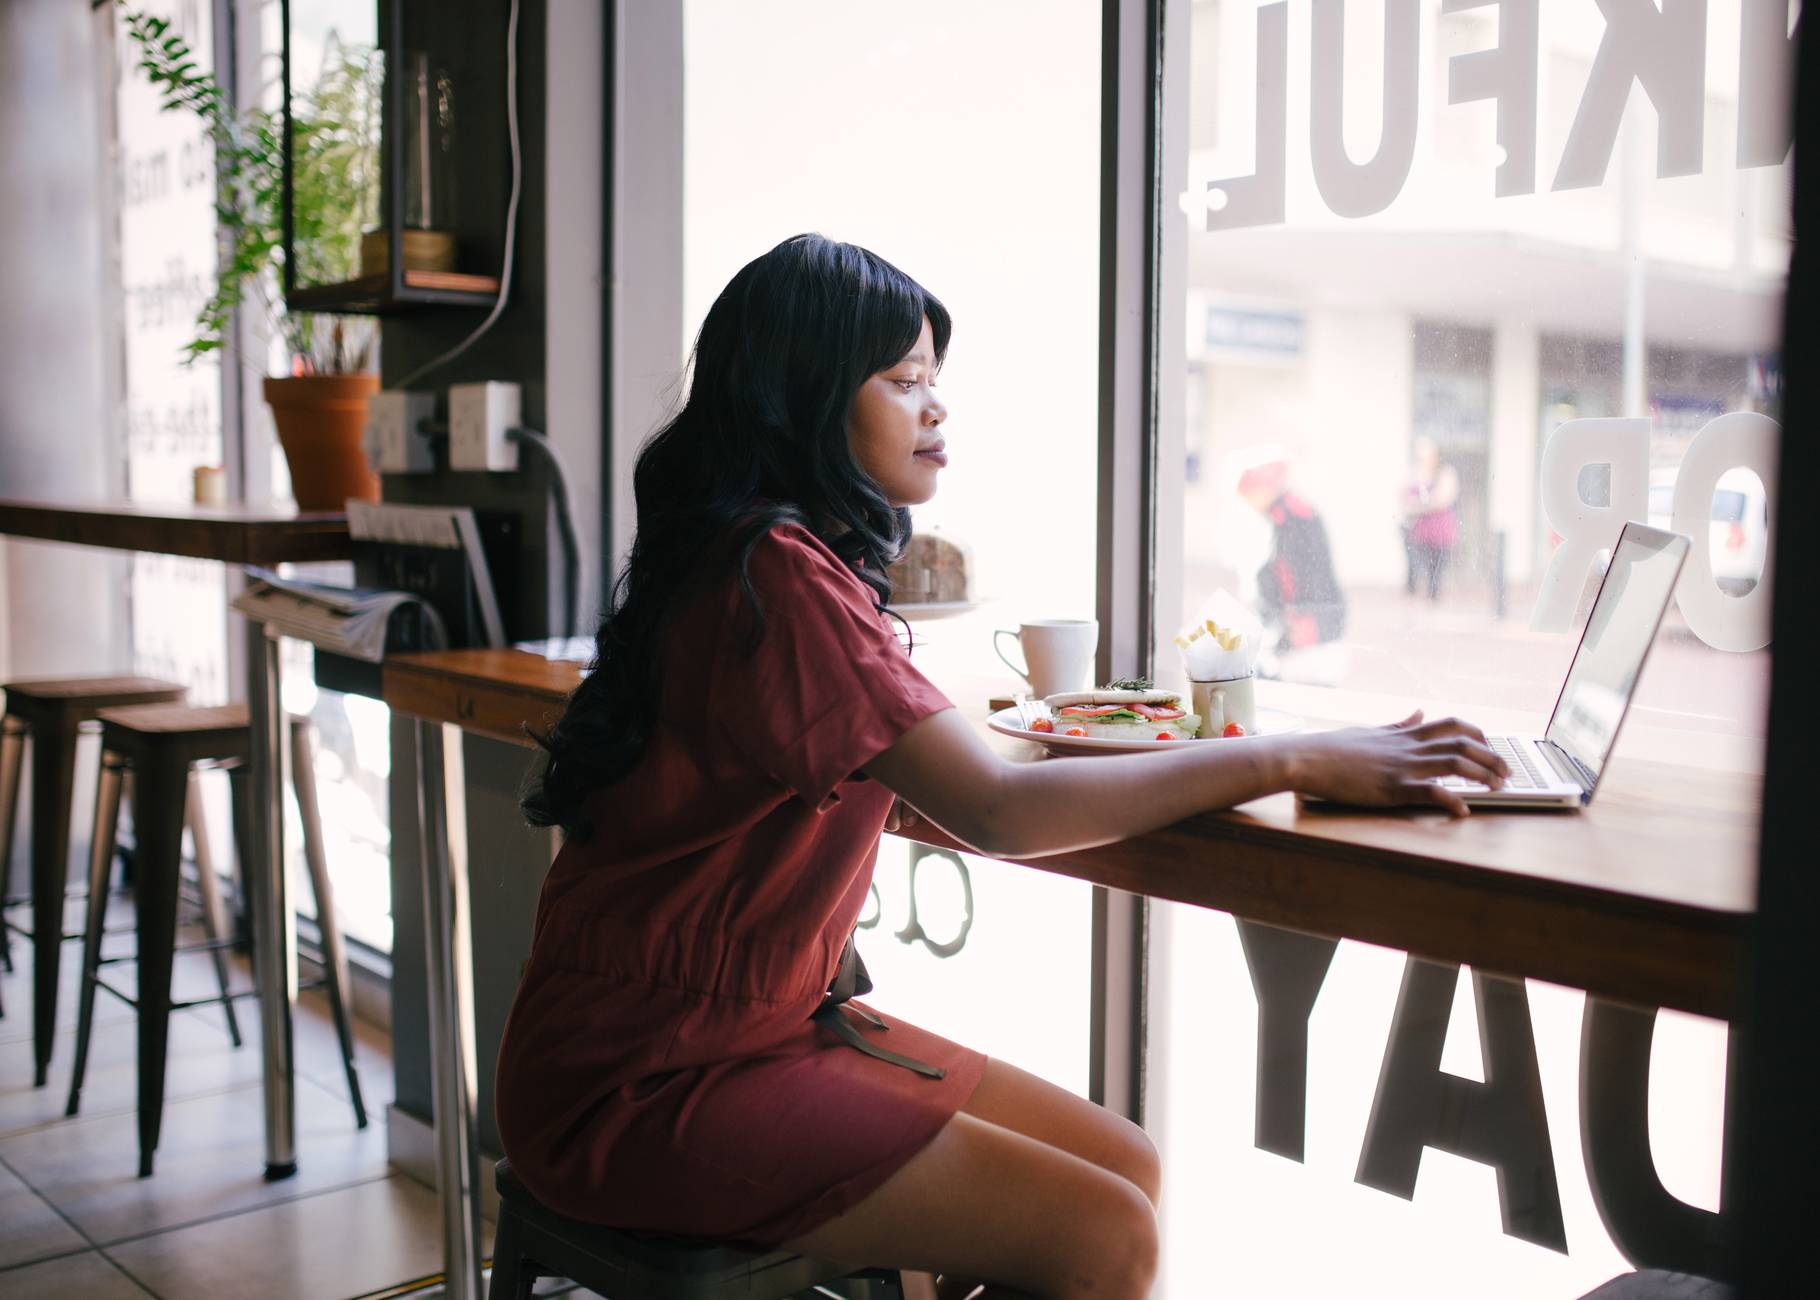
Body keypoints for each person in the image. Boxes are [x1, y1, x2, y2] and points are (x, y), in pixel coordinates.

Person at [496, 233, 1508, 1300]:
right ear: (802, 395)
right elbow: (997, 808)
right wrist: (1294, 754)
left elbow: (916, 774)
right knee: (1102, 1231)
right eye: (904, 380)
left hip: (721, 1025)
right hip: (648, 1072)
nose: (936, 409)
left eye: (936, 382)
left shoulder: (761, 555)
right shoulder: (776, 573)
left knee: (1127, 1169)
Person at [1236, 452, 1347, 662]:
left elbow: (1297, 573)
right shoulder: (1283, 512)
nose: (1249, 504)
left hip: (1312, 617)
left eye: (1250, 495)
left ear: (1265, 489)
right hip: (1309, 615)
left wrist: (1293, 620)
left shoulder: (1291, 516)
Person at [1399, 435, 1461, 601]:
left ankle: (1433, 595)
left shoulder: (1446, 473)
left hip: (1440, 528)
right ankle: (1420, 592)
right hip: (1420, 529)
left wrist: (1421, 504)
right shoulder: (1416, 473)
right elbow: (1404, 497)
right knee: (1420, 562)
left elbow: (1443, 499)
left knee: (1437, 566)